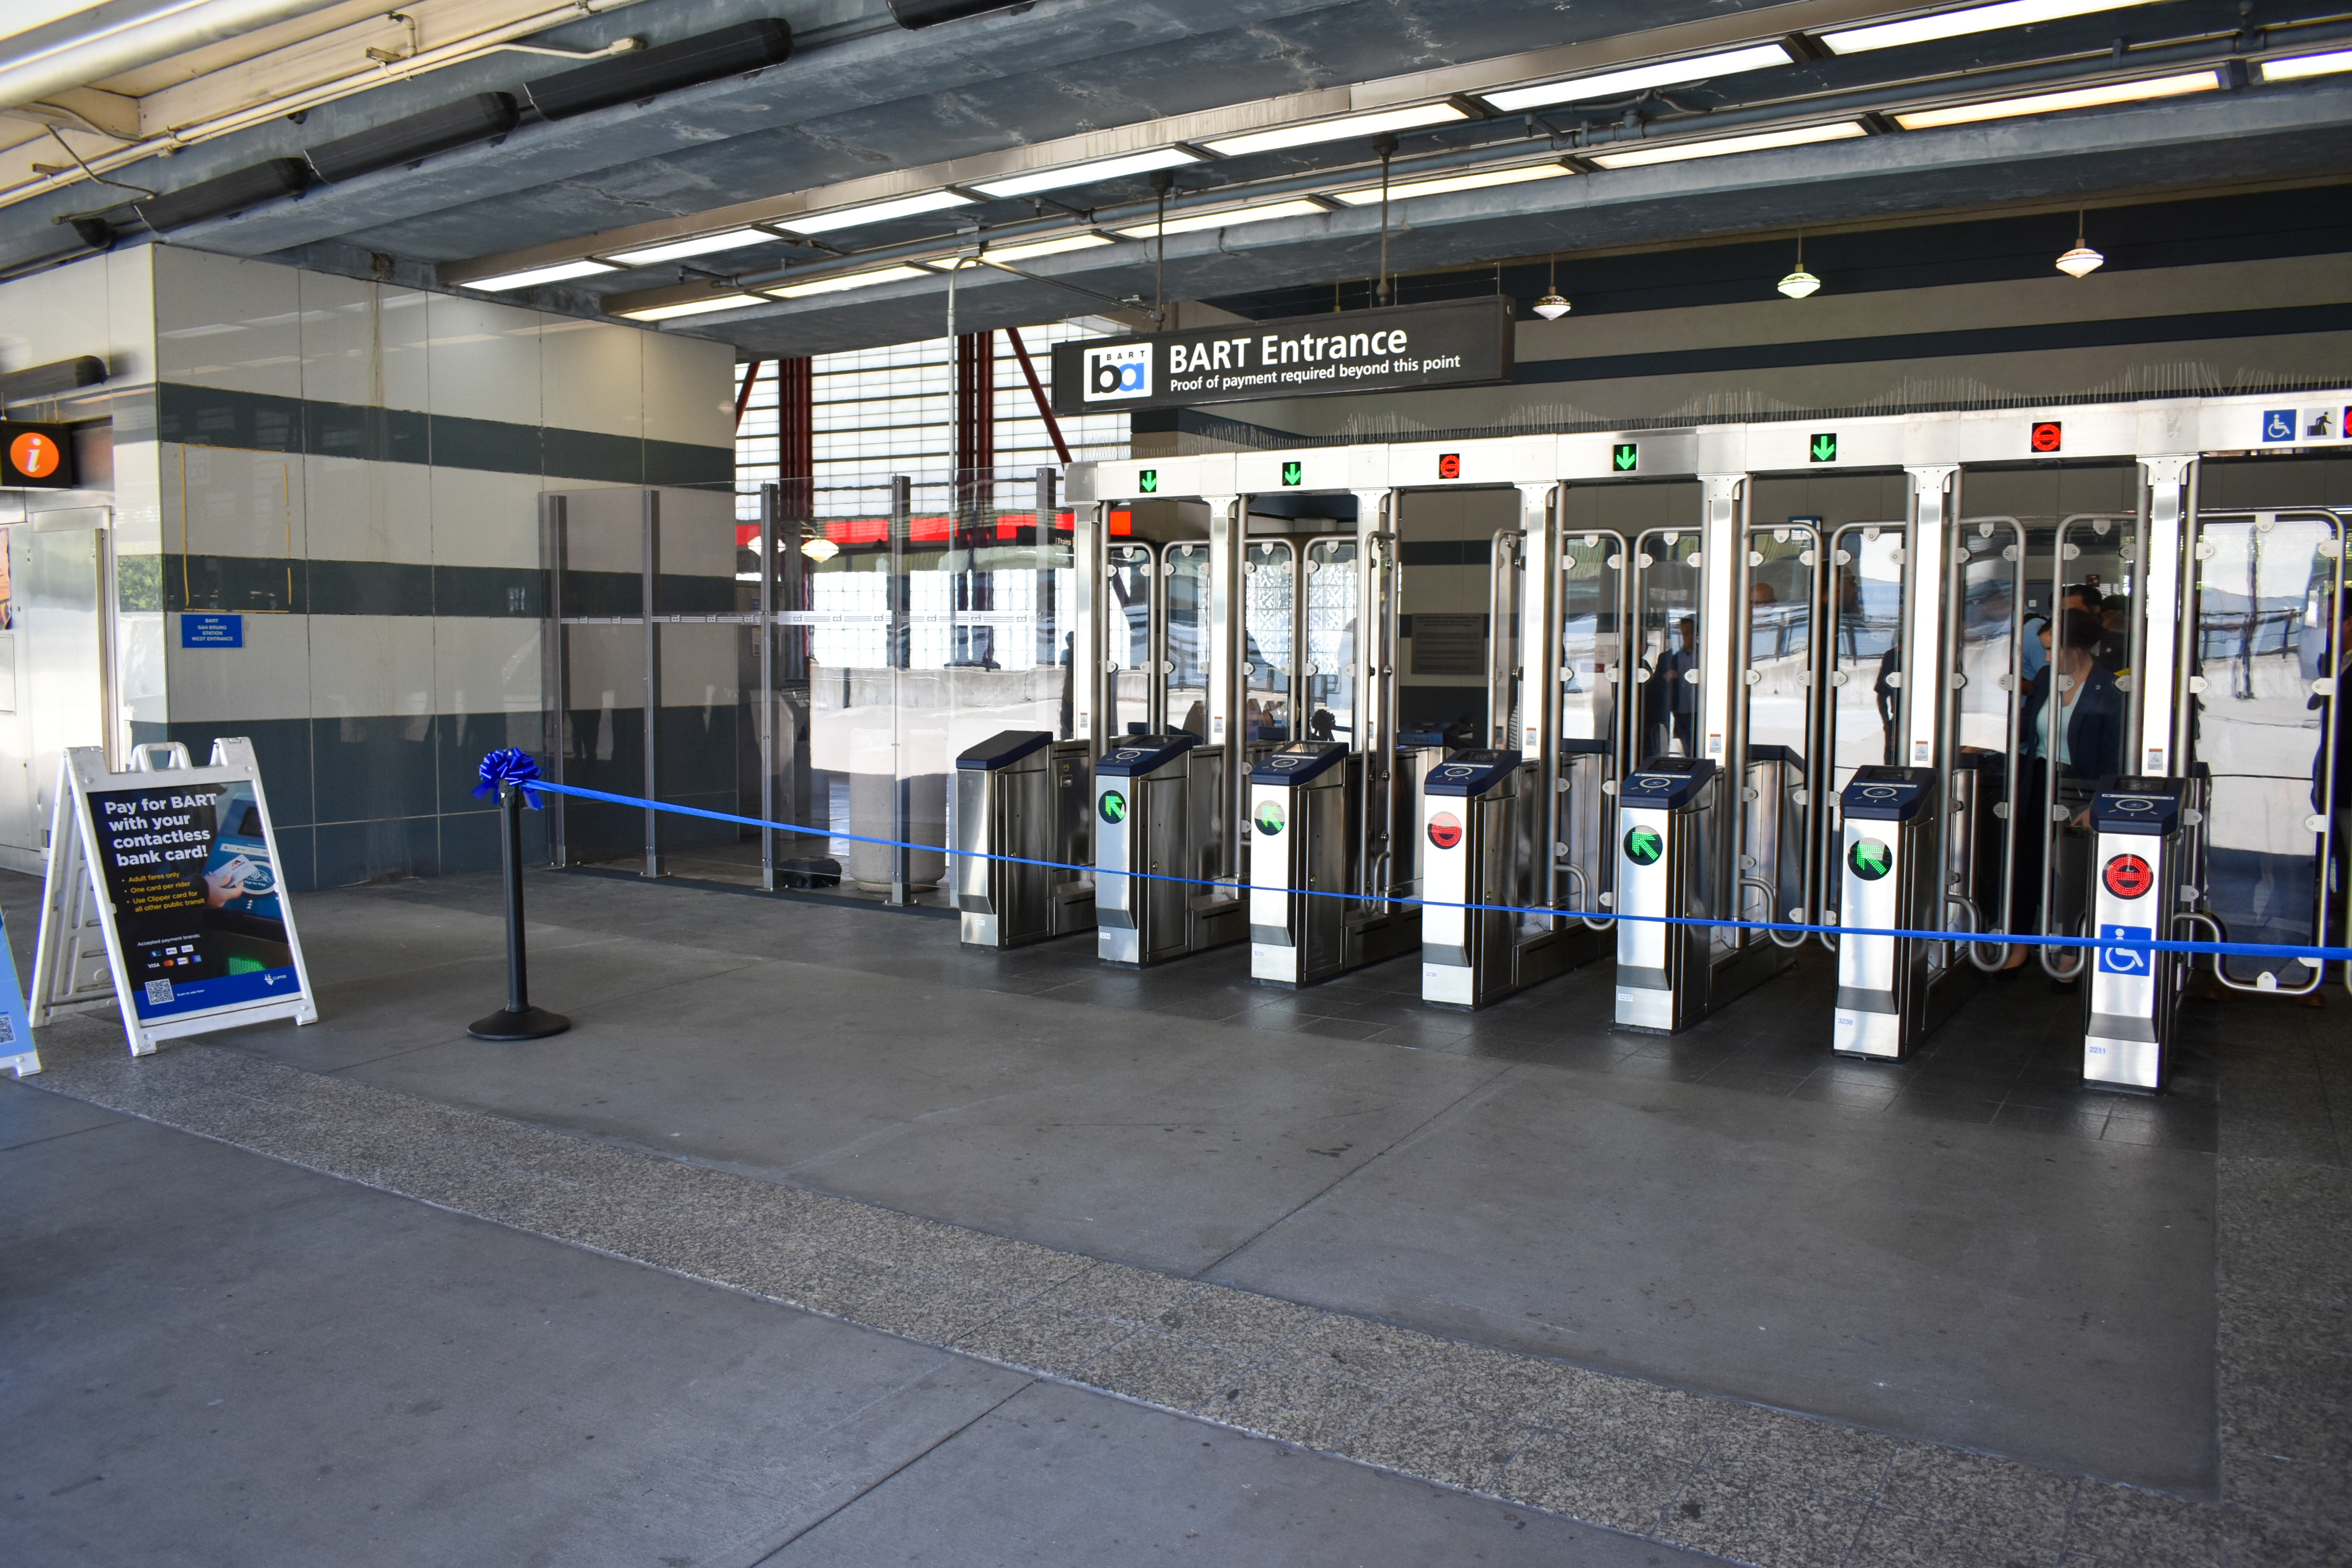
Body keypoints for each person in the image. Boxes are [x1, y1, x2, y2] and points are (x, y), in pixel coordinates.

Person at [2006, 609, 2126, 969]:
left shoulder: (2111, 687)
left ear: (2077, 648)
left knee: (2076, 872)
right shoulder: (2046, 678)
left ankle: (2072, 950)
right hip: (2040, 777)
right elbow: (2026, 725)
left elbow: (2113, 753)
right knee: (2024, 865)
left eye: (2051, 649)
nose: (2044, 658)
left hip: (2081, 783)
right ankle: (2019, 943)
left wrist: (2098, 802)